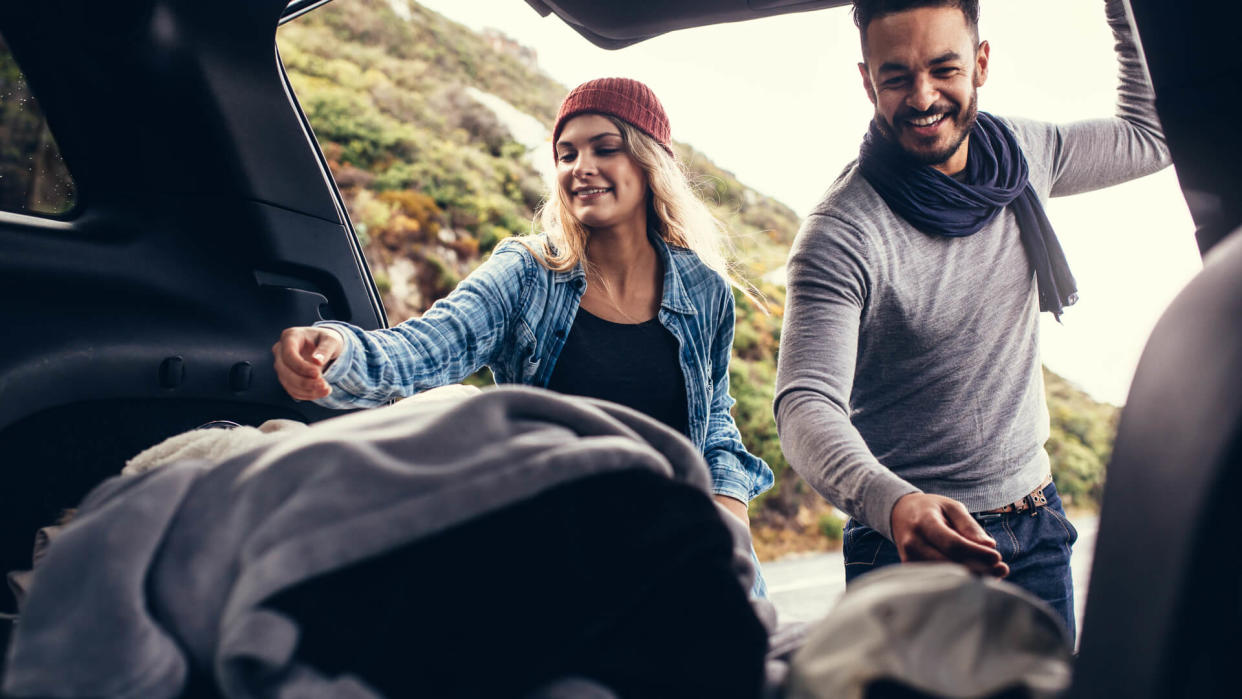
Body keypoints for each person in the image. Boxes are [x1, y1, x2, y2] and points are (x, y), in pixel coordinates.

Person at [272, 77, 775, 593]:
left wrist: (728, 517)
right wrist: (338, 350)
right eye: (566, 154)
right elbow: (428, 345)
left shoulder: (704, 290)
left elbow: (714, 426)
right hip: (560, 552)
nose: (581, 168)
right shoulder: (528, 272)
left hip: (682, 554)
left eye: (605, 149)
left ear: (649, 165)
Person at [773, 0, 1169, 638]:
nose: (923, 97)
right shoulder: (841, 233)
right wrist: (893, 503)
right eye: (896, 76)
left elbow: (1151, 135)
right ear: (867, 79)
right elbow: (805, 404)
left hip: (1036, 527)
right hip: (903, 548)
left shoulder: (1026, 154)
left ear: (980, 63)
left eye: (944, 69)